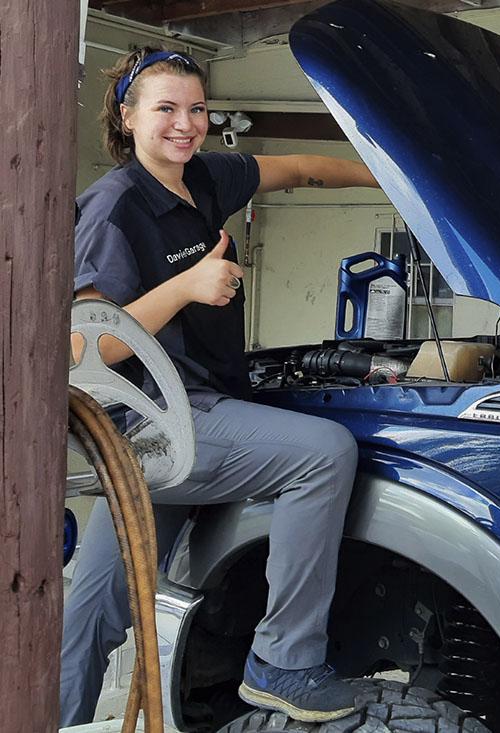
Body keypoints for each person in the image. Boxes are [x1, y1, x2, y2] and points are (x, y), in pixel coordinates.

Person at [61, 48, 379, 726]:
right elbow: (89, 345)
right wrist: (186, 286)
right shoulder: (114, 208)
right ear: (128, 116)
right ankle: (284, 662)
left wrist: (395, 179)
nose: (185, 124)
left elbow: (302, 169)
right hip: (149, 429)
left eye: (197, 109)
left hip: (198, 412)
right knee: (324, 453)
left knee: (89, 615)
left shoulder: (204, 177)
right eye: (166, 109)